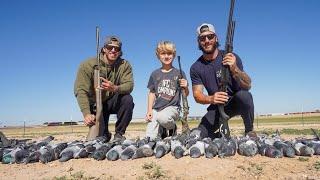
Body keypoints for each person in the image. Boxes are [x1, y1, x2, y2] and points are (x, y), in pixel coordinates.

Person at [190, 23, 254, 139]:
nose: (207, 40)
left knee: (245, 96)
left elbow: (248, 85)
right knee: (199, 135)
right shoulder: (195, 67)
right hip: (217, 106)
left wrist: (234, 68)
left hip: (236, 101)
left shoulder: (231, 57)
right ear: (199, 42)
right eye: (202, 38)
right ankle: (218, 135)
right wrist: (211, 98)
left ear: (216, 38)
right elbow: (197, 95)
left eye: (210, 36)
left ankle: (249, 132)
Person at [74, 36, 134, 142]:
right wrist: (86, 113)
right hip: (96, 105)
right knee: (101, 138)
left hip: (113, 101)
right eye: (110, 47)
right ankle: (104, 133)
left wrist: (114, 88)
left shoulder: (125, 65)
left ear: (120, 52)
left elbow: (129, 85)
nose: (113, 50)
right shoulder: (87, 65)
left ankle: (119, 134)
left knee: (127, 99)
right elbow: (80, 90)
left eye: (117, 49)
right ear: (104, 49)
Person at [145, 41, 189, 140]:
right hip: (157, 108)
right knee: (150, 132)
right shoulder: (154, 74)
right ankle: (155, 136)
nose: (166, 56)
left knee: (162, 117)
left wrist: (185, 87)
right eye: (163, 53)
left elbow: (186, 94)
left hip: (173, 108)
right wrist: (149, 111)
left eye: (169, 53)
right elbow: (152, 93)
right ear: (158, 55)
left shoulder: (179, 73)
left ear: (173, 55)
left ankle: (173, 128)